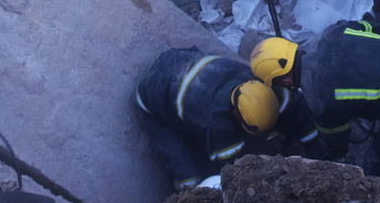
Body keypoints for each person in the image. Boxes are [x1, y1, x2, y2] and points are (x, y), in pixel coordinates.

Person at [250, 20, 380, 177]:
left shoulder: (320, 99)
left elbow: (337, 141)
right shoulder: (333, 33)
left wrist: (327, 155)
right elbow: (374, 29)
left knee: (378, 162)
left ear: (283, 80)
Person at [135, 47, 319, 189]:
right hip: (154, 97)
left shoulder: (259, 86)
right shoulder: (216, 123)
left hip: (181, 61)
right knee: (188, 176)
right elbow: (230, 168)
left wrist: (316, 149)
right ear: (235, 115)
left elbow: (295, 107)